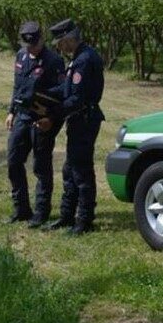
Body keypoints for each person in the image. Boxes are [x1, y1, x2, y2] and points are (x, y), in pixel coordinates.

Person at [35, 19, 105, 235]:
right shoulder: (79, 58)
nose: (58, 47)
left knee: (81, 171)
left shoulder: (84, 60)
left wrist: (51, 114)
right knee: (69, 169)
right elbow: (66, 89)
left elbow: (76, 99)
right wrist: (40, 95)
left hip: (84, 119)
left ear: (68, 39)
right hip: (77, 120)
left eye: (60, 42)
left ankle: (84, 220)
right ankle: (67, 216)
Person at [5, 20, 66, 227]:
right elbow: (17, 86)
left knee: (41, 167)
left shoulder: (53, 61)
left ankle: (41, 212)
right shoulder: (21, 56)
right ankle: (21, 209)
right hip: (22, 117)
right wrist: (11, 111)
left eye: (34, 45)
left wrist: (51, 119)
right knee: (13, 161)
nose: (31, 49)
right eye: (27, 46)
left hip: (42, 121)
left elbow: (61, 97)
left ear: (41, 39)